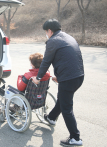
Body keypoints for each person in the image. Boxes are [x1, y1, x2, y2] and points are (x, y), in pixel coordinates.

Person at [32, 19, 84, 147]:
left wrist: (38, 78)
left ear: (49, 31)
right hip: (79, 76)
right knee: (62, 100)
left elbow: (46, 62)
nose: (46, 34)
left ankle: (75, 138)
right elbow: (69, 59)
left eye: (46, 32)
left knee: (66, 108)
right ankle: (51, 118)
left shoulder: (53, 41)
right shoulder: (68, 37)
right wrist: (60, 77)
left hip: (69, 79)